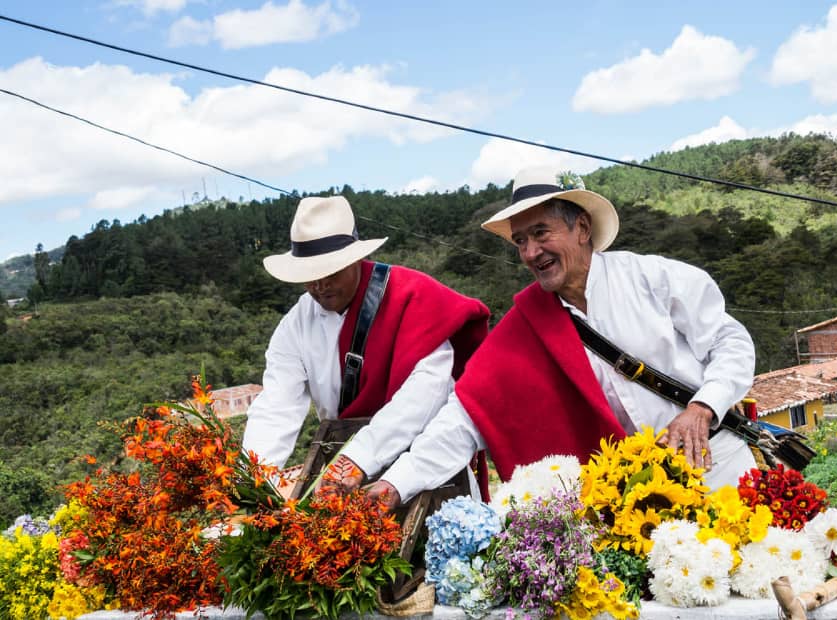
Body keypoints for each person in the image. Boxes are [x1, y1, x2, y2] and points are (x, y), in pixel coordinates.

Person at [370, 166, 757, 507]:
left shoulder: (653, 279)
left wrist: (701, 408)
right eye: (520, 240)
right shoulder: (525, 328)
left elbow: (731, 343)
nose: (531, 252)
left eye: (541, 233)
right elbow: (464, 418)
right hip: (638, 502)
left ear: (583, 228)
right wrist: (395, 484)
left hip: (716, 459)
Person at [242, 195, 490, 494]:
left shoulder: (412, 297)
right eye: (309, 276)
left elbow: (427, 391)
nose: (320, 285)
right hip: (343, 480)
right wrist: (251, 480)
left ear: (354, 258)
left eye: (330, 271)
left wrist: (359, 457)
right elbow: (277, 408)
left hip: (424, 467)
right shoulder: (296, 325)